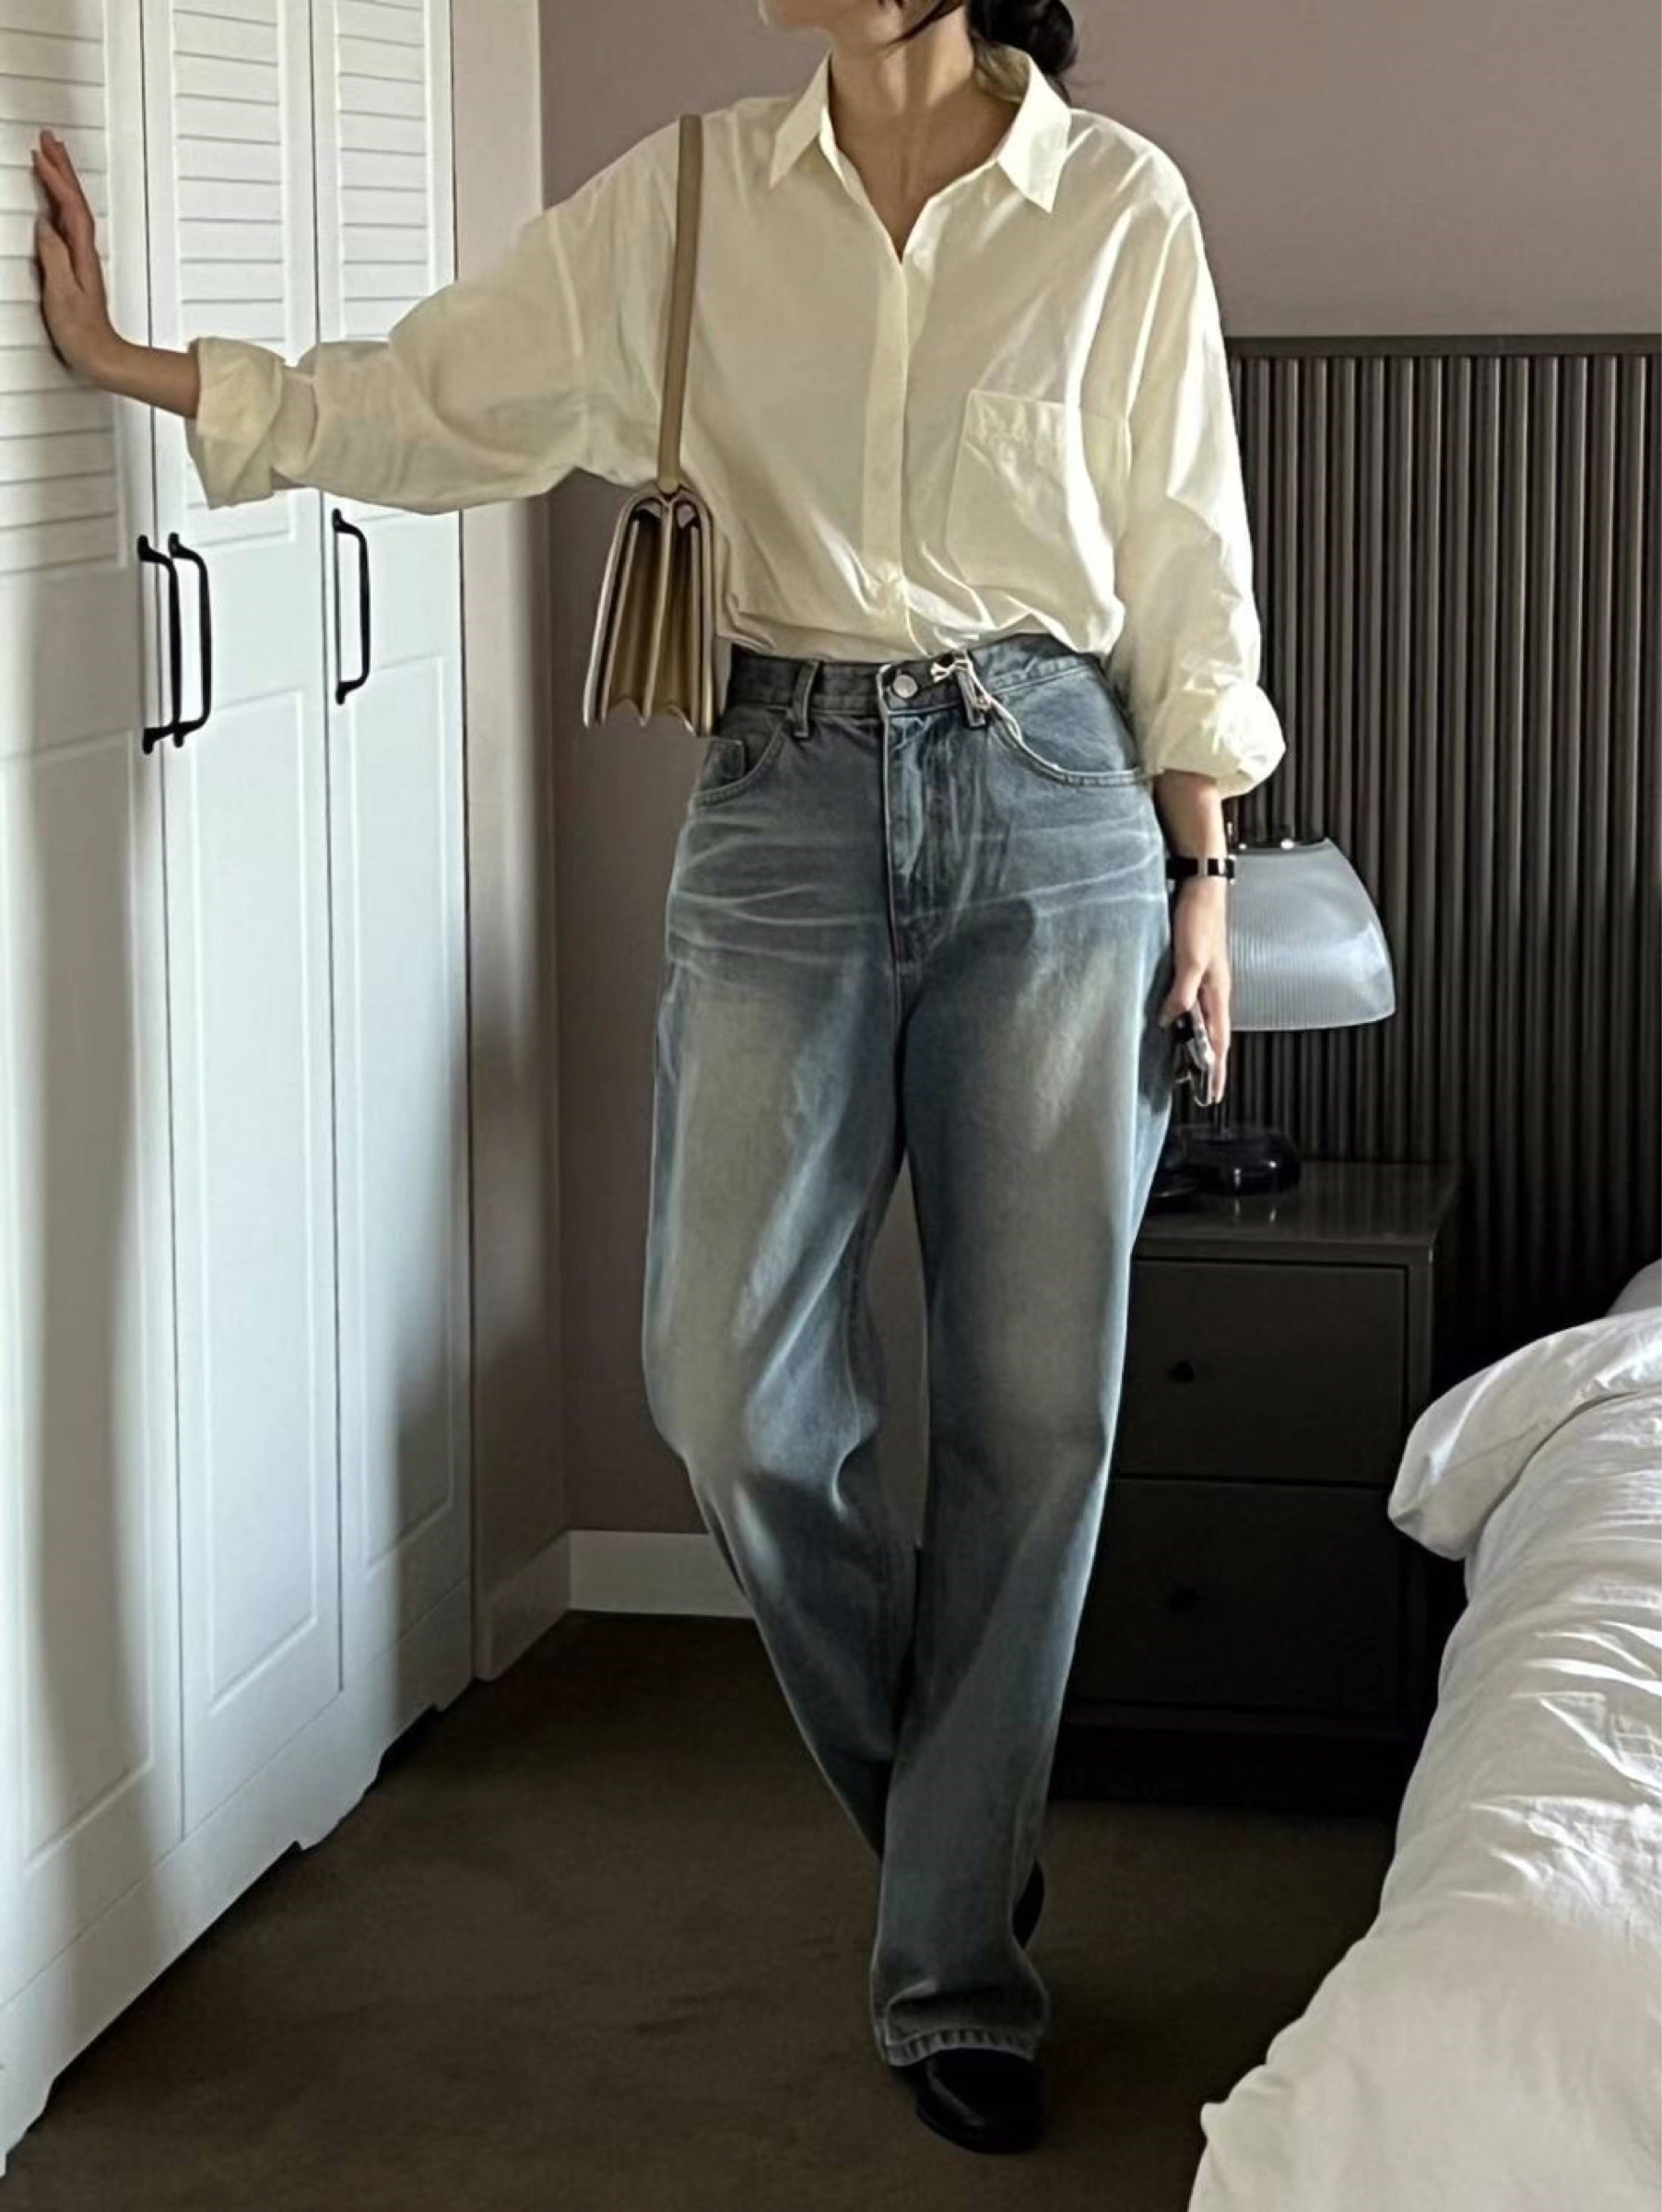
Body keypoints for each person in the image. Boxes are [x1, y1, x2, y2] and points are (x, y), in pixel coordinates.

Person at [33, 0, 1284, 2159]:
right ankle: (956, 1841)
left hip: (1055, 805)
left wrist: (1202, 878)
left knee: (1029, 1419)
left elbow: (1182, 558)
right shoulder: (694, 198)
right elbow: (442, 392)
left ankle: (949, 1967)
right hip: (782, 797)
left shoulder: (1110, 207)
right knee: (723, 1385)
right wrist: (153, 371)